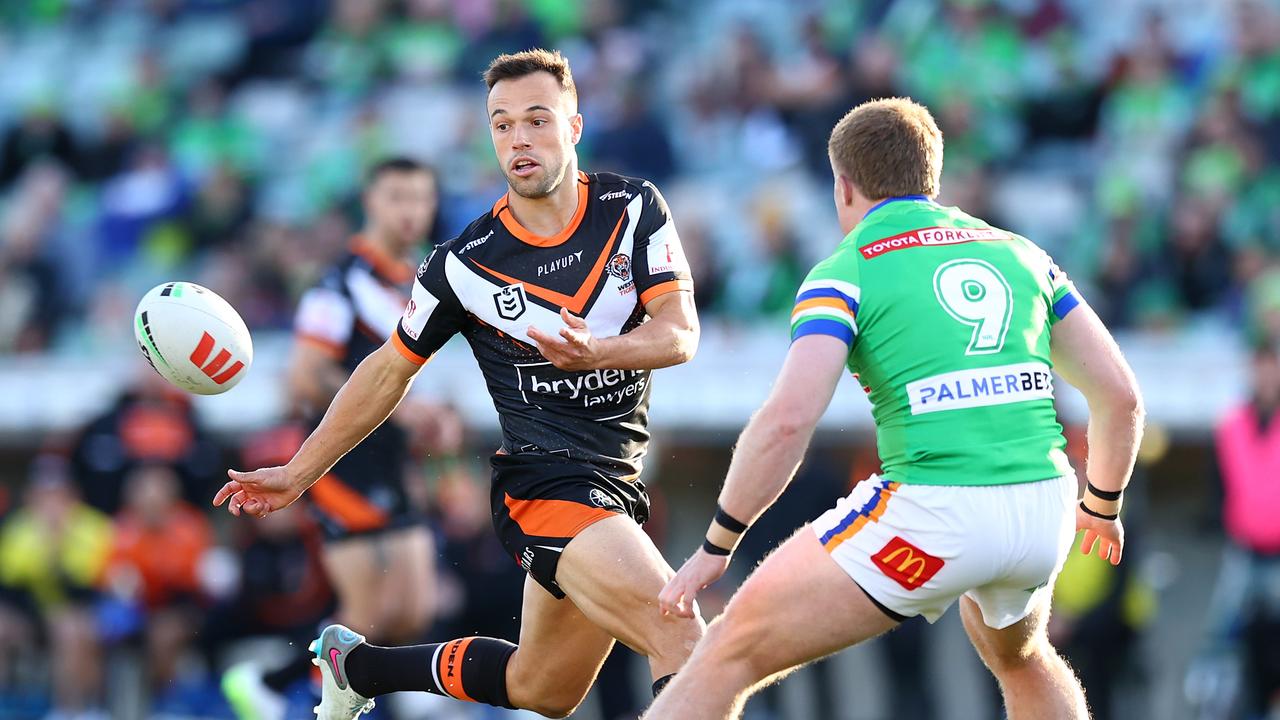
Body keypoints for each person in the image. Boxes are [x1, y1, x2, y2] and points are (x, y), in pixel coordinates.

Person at [214, 48, 703, 719]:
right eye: (502, 125)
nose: (518, 139)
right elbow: (388, 368)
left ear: (575, 126)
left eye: (536, 120)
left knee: (543, 690)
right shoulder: (464, 264)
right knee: (678, 628)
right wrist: (299, 473)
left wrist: (597, 352)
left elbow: (680, 335)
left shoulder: (633, 208)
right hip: (545, 488)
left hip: (617, 481)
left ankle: (358, 667)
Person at [647, 97, 1145, 720]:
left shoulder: (848, 269)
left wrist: (718, 544)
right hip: (1044, 508)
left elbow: (788, 421)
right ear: (930, 177)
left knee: (729, 647)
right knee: (1022, 657)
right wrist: (1102, 506)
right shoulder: (1023, 254)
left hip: (936, 513)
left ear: (844, 185)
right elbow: (1120, 397)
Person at [221, 157, 442, 720]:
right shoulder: (338, 284)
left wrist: (430, 416)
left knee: (412, 609)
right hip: (343, 459)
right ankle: (281, 688)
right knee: (367, 611)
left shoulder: (412, 281)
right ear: (370, 202)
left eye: (420, 198)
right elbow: (306, 374)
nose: (411, 211)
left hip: (392, 459)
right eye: (397, 197)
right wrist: (400, 412)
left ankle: (287, 681)